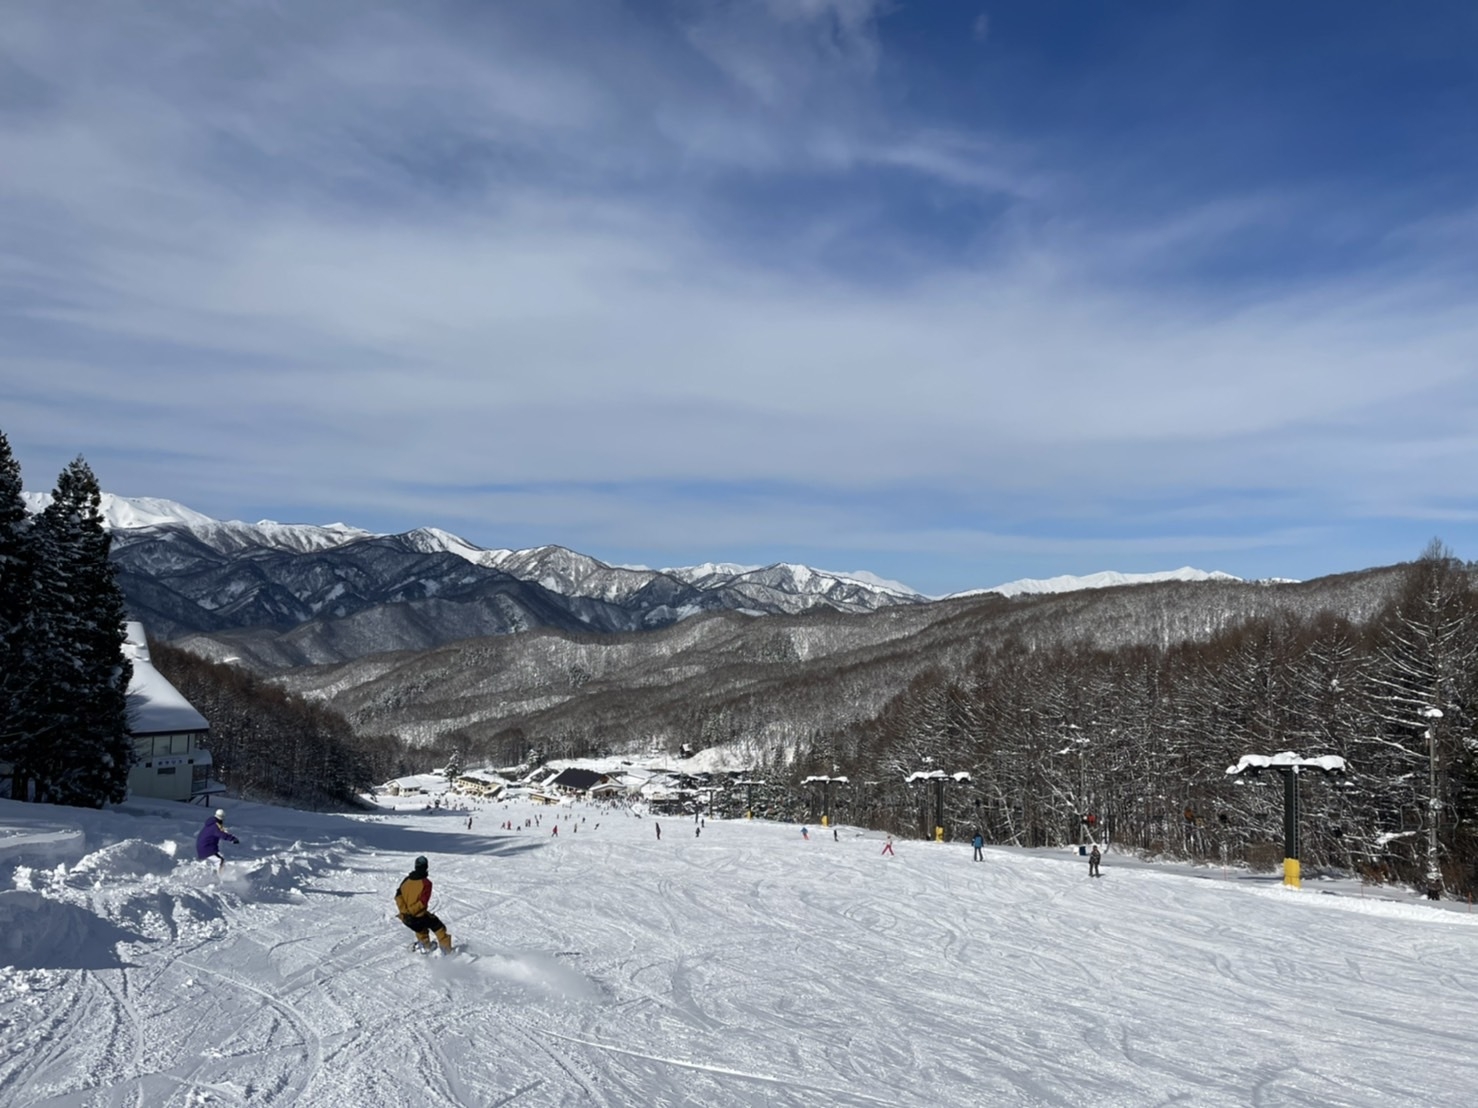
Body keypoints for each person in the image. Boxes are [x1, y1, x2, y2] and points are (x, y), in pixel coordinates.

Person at [395, 855, 453, 953]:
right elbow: (422, 902)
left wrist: (404, 912)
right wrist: (410, 913)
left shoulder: (406, 880)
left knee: (421, 930)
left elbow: (398, 896)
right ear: (426, 867)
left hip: (406, 918)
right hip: (417, 916)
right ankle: (447, 952)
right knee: (439, 928)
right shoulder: (426, 883)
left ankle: (425, 947)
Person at [195, 808, 239, 876]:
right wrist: (232, 839)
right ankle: (220, 877)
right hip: (207, 847)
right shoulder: (215, 825)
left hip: (203, 846)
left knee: (215, 861)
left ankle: (213, 875)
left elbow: (219, 831)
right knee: (220, 861)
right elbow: (220, 833)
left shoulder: (211, 824)